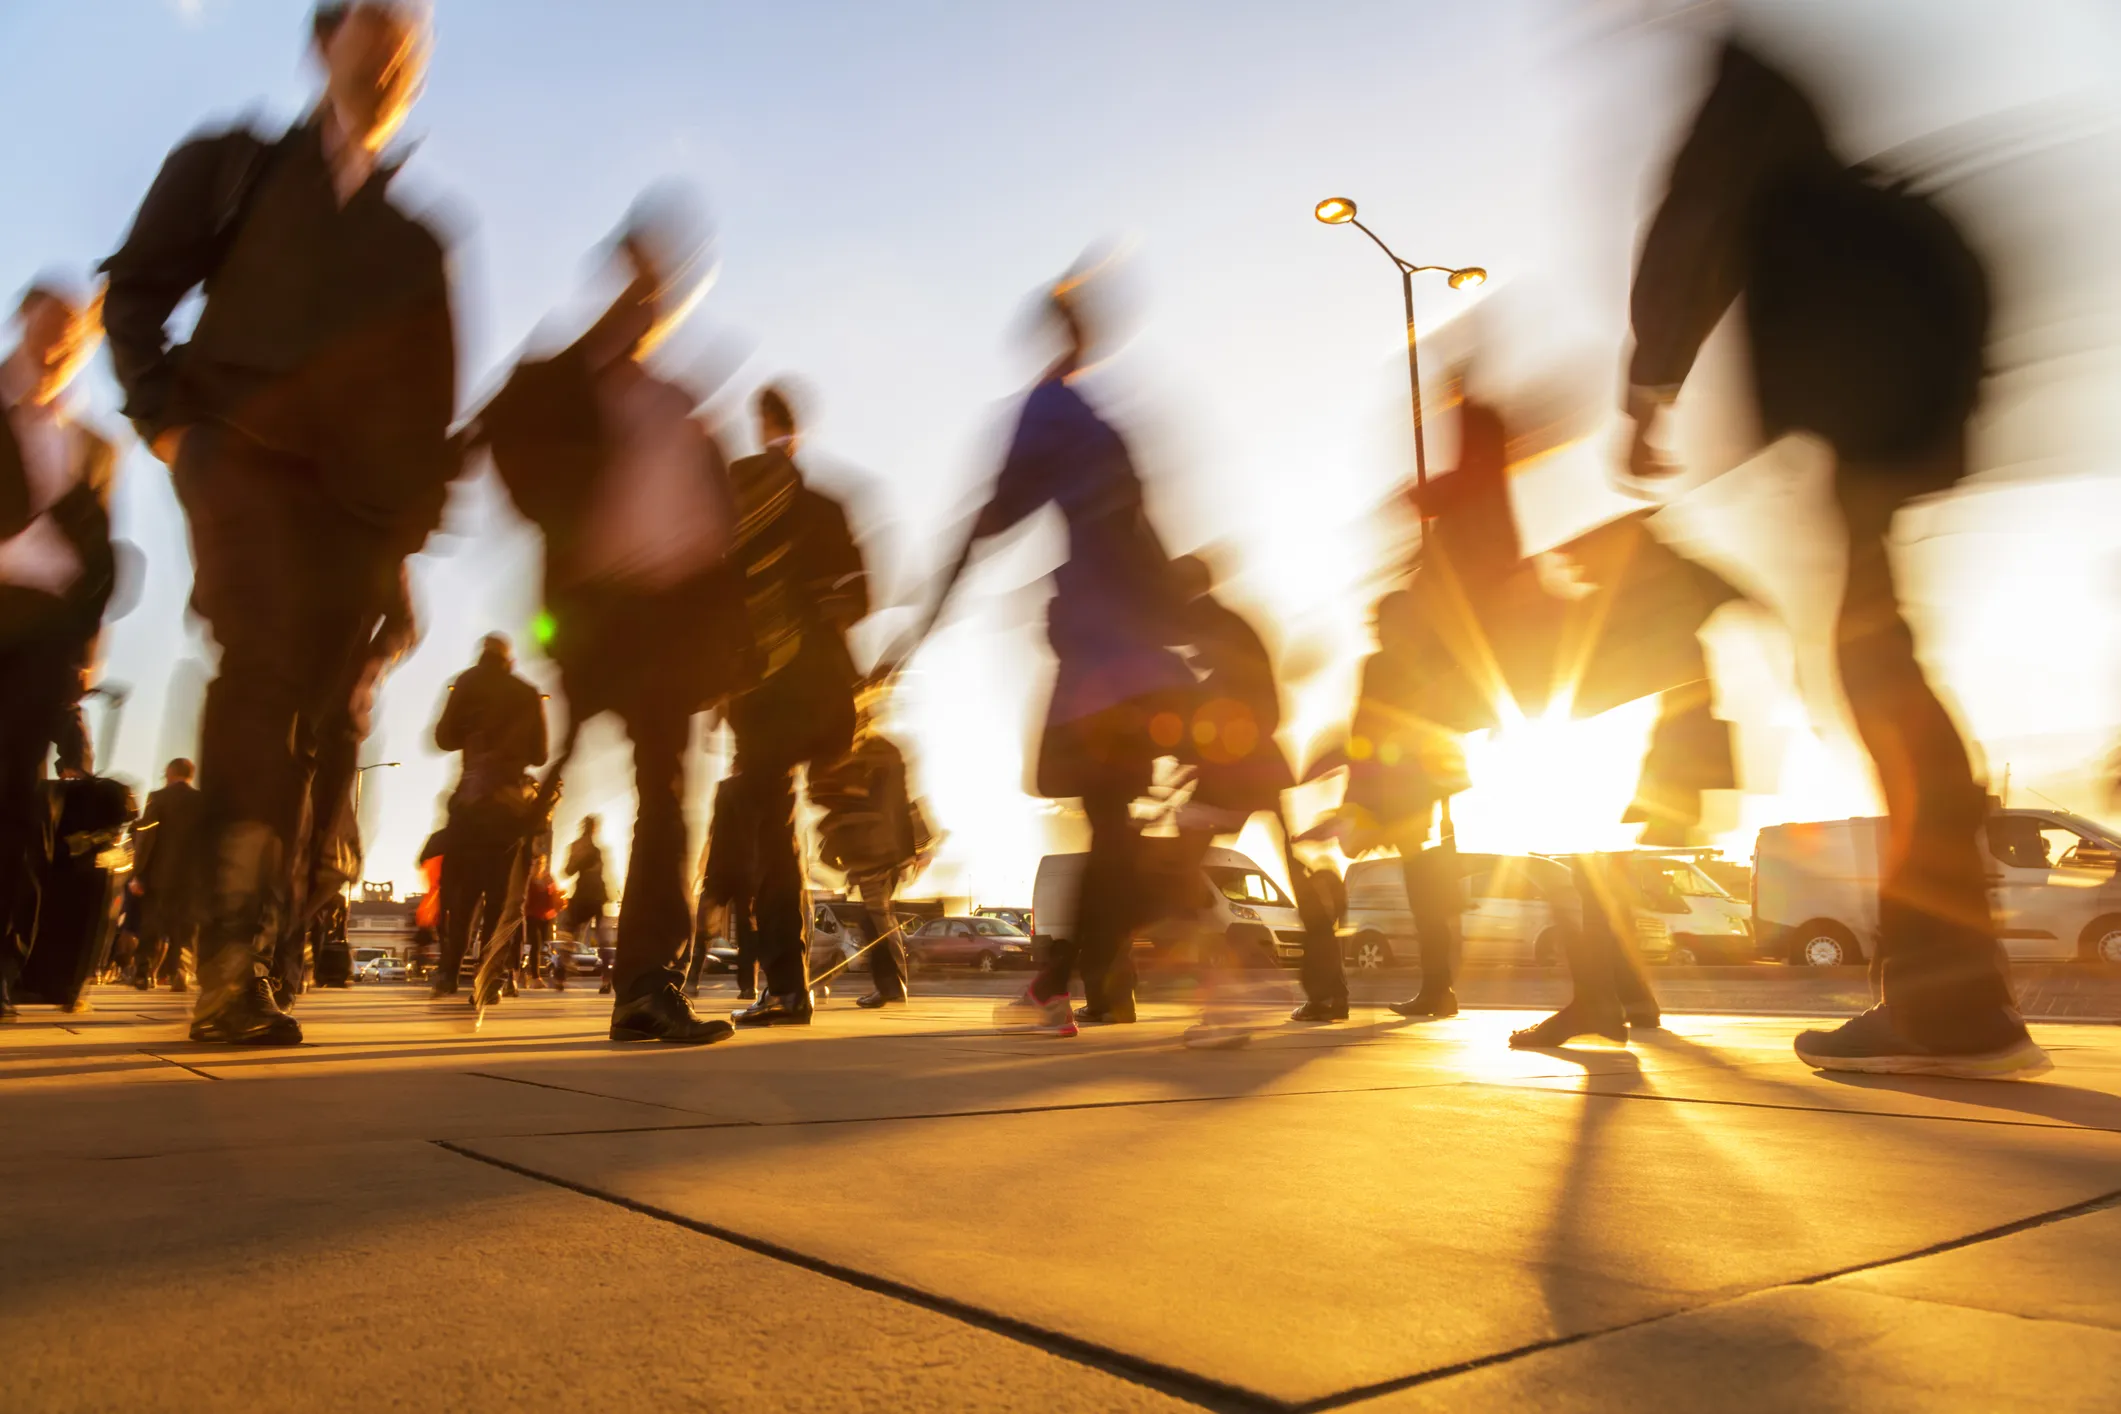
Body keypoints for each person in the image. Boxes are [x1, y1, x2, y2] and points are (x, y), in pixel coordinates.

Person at [1624, 39, 2044, 1078]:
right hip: (1902, 417)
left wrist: (1650, 383)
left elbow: (1696, 219)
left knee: (1880, 685)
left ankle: (1949, 1009)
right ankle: (1961, 1000)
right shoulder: (1813, 131)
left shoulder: (1746, 92)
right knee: (1884, 680)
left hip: (1868, 415)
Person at [101, 0, 456, 1046]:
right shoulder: (235, 166)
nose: (396, 50)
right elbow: (135, 292)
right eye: (378, 26)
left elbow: (426, 415)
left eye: (414, 41)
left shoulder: (415, 243)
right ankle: (228, 961)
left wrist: (401, 548)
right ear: (324, 40)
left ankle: (271, 930)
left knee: (321, 729)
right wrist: (171, 426)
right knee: (256, 673)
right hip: (238, 467)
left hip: (353, 518)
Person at [476, 185, 750, 1045]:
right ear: (614, 280)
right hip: (597, 612)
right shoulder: (562, 378)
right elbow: (502, 432)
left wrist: (731, 653)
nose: (648, 301)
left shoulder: (684, 408)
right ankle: (494, 925)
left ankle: (645, 984)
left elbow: (721, 540)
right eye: (636, 282)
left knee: (665, 793)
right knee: (559, 773)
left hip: (671, 625)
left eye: (662, 289)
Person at [896, 269, 1195, 1037]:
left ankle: (1084, 975)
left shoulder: (1052, 408)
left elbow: (995, 512)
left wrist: (931, 609)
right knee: (1113, 826)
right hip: (1139, 660)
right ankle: (1082, 983)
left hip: (1102, 662)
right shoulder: (1105, 424)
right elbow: (1148, 539)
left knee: (1107, 823)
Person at [720, 384, 871, 1028]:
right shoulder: (827, 507)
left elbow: (720, 605)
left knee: (771, 840)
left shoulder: (741, 510)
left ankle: (788, 986)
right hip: (818, 692)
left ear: (763, 431)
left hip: (765, 699)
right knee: (787, 834)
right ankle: (791, 984)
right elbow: (857, 596)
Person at [1, 276, 116, 1022]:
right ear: (21, 316)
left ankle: (3, 962)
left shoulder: (93, 445)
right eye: (51, 320)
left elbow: (101, 548)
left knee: (12, 794)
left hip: (42, 628)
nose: (61, 337)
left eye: (76, 329)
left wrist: (89, 643)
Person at [429, 635, 548, 1000]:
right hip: (509, 807)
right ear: (509, 660)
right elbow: (540, 754)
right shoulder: (527, 693)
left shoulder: (466, 682)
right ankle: (490, 978)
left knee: (461, 894)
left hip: (471, 801)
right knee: (501, 896)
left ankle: (448, 973)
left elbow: (443, 738)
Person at [808, 685, 932, 1009]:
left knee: (877, 917)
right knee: (875, 916)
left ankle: (893, 986)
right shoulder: (885, 751)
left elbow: (830, 796)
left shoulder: (857, 756)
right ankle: (890, 985)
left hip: (870, 848)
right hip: (884, 848)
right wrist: (907, 852)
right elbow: (900, 803)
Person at [131, 758, 205, 990]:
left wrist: (138, 872)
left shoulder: (158, 797)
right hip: (193, 878)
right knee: (186, 926)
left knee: (151, 923)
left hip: (159, 875)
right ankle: (181, 970)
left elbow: (146, 837)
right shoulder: (201, 801)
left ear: (171, 773)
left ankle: (144, 972)